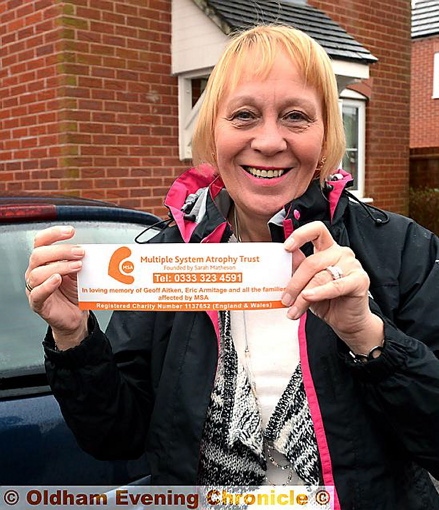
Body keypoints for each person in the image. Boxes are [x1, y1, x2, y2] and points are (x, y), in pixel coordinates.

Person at [25, 24, 439, 509]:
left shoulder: (403, 251)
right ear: (213, 131)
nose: (268, 141)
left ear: (325, 135)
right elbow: (116, 437)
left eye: (295, 116)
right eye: (244, 115)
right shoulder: (166, 258)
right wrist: (75, 337)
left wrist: (370, 338)